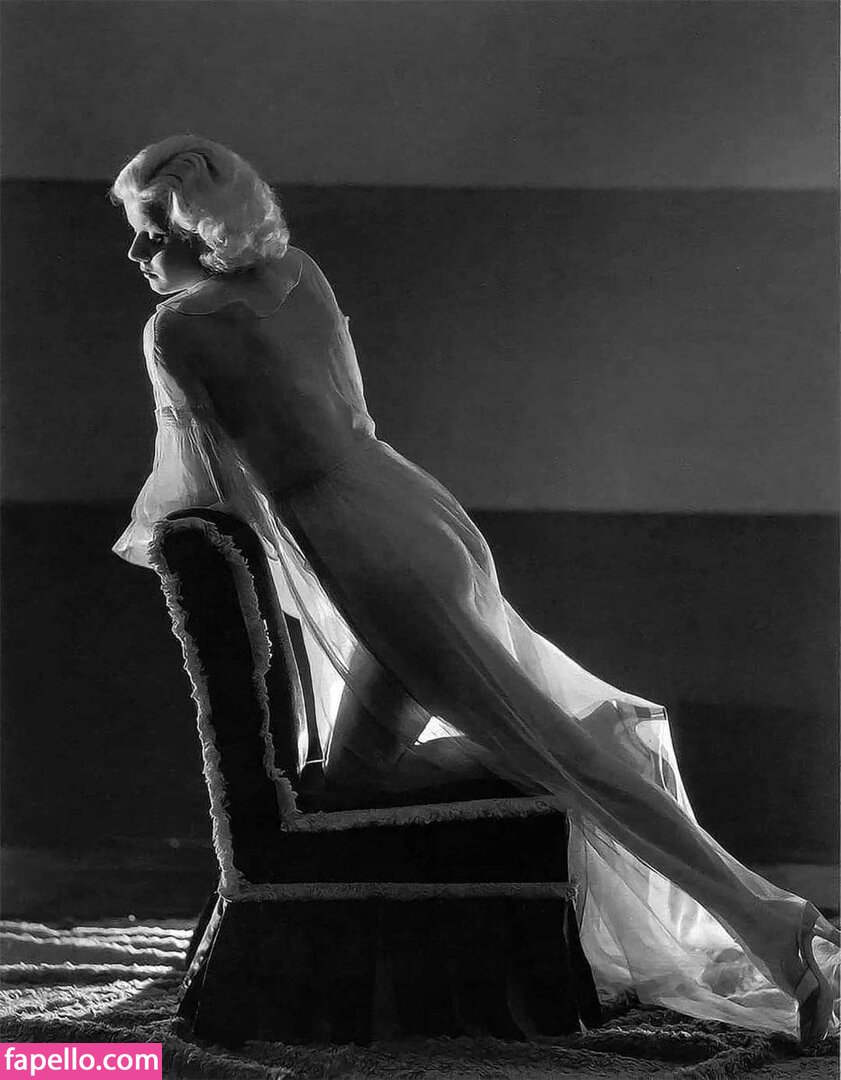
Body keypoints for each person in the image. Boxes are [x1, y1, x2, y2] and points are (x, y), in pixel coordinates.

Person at [109, 134, 839, 1045]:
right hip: (417, 514)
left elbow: (203, 487)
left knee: (558, 757)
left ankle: (772, 926)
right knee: (362, 777)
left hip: (375, 554)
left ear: (201, 231)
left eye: (151, 234)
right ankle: (591, 749)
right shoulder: (299, 272)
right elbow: (339, 423)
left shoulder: (177, 330)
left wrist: (186, 550)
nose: (136, 254)